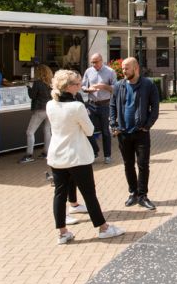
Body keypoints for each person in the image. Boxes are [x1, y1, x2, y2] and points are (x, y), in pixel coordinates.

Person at [47, 69, 124, 244]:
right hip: (77, 156)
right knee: (89, 193)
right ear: (69, 87)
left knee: (59, 194)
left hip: (57, 155)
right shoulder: (77, 106)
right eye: (77, 83)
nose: (81, 86)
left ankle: (62, 233)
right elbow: (89, 130)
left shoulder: (50, 104)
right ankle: (103, 228)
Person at [109, 57, 159, 211]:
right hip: (124, 132)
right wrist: (113, 124)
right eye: (123, 68)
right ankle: (133, 193)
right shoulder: (119, 86)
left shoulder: (148, 85)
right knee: (128, 165)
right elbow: (112, 106)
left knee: (143, 165)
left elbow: (155, 108)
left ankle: (143, 195)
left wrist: (147, 126)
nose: (123, 71)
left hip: (141, 133)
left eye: (126, 68)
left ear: (136, 68)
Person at [82, 53, 117, 164]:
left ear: (101, 60)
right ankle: (95, 151)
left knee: (105, 132)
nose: (93, 64)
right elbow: (82, 86)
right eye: (92, 62)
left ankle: (107, 155)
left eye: (96, 62)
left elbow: (115, 88)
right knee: (88, 130)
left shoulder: (110, 71)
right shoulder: (88, 71)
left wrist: (104, 86)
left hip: (105, 104)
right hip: (91, 104)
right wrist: (88, 89)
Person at [20, 64, 53, 163]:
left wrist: (28, 87)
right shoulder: (51, 82)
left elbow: (32, 96)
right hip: (50, 108)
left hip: (40, 109)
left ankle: (29, 154)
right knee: (47, 130)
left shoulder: (38, 83)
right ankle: (46, 152)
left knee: (30, 132)